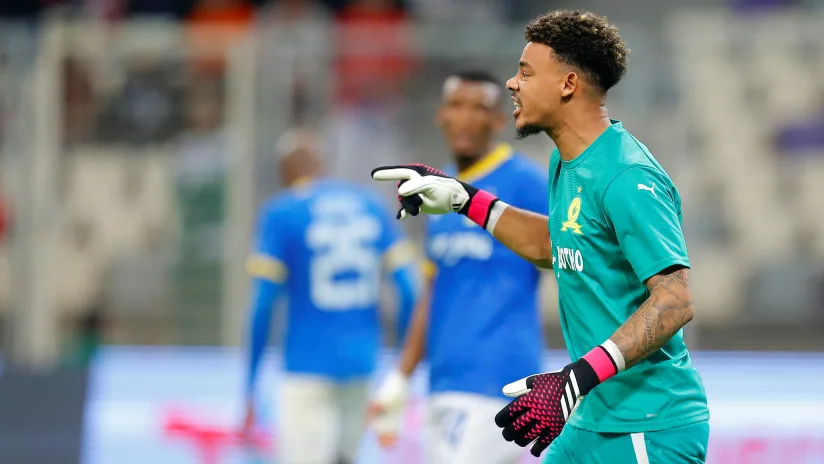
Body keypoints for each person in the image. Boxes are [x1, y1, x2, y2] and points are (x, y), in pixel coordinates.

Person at [371, 10, 710, 464]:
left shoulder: (627, 175)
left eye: (526, 73)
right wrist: (463, 198)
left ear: (568, 84)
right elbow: (552, 245)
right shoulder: (566, 162)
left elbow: (675, 300)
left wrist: (577, 378)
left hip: (646, 425)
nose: (512, 84)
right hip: (592, 418)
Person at [369, 71, 549, 463]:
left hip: (502, 382)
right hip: (443, 382)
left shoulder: (527, 183)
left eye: (479, 108)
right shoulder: (438, 193)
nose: (466, 117)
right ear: (441, 114)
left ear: (499, 120)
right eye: (456, 105)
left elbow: (569, 260)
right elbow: (433, 290)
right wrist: (401, 377)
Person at [243, 129, 420, 464]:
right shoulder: (370, 205)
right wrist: (402, 363)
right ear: (320, 164)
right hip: (362, 362)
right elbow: (410, 290)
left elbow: (263, 304)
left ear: (285, 172)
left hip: (306, 365)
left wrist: (250, 384)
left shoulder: (282, 213)